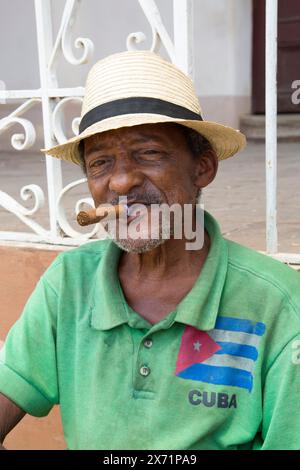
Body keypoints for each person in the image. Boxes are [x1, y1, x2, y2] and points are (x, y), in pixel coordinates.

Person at [1, 51, 300, 450]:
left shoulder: (277, 302)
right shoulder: (68, 282)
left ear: (202, 168)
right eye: (101, 163)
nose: (122, 182)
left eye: (149, 153)